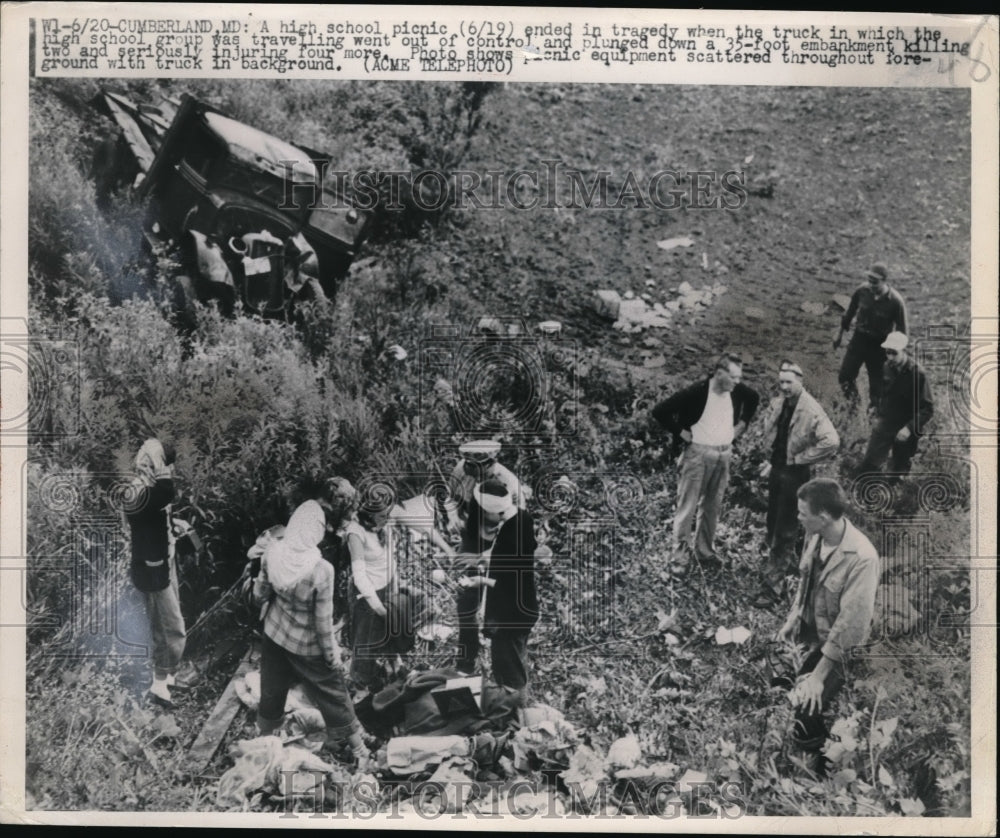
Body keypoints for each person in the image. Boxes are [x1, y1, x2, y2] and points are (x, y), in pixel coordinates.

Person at [253, 496, 368, 766]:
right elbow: (322, 623)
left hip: (274, 634)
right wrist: (333, 656)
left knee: (271, 688)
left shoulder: (273, 550)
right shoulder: (320, 570)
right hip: (307, 645)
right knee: (333, 691)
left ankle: (263, 740)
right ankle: (361, 750)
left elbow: (260, 594)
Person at [776, 478, 879, 776]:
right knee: (782, 682)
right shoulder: (816, 534)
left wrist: (818, 677)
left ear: (822, 517)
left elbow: (851, 628)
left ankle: (818, 768)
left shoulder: (862, 559)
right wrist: (794, 616)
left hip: (839, 648)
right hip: (813, 632)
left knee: (807, 706)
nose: (797, 517)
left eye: (802, 513)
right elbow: (806, 579)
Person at [651, 353, 760, 568]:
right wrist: (681, 432)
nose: (738, 383)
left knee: (713, 505)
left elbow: (754, 398)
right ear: (719, 374)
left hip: (724, 454)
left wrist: (743, 424)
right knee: (688, 506)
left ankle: (704, 551)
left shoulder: (736, 391)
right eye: (734, 377)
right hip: (698, 455)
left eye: (739, 378)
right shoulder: (697, 392)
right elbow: (660, 411)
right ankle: (679, 557)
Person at [753, 361, 840, 608]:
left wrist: (801, 458)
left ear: (800, 381)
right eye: (781, 382)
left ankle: (774, 588)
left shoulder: (810, 409)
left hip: (795, 476)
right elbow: (777, 437)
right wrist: (773, 461)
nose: (784, 387)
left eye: (789, 382)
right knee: (772, 520)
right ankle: (782, 564)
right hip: (778, 470)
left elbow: (831, 441)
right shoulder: (781, 403)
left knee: (785, 526)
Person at [455, 480, 538, 700]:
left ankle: (517, 713)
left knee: (509, 669)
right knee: (515, 660)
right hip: (524, 606)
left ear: (495, 512)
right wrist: (486, 558)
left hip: (510, 615)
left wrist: (479, 581)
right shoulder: (521, 518)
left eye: (485, 513)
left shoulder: (511, 535)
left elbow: (505, 584)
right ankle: (514, 704)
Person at [124, 437, 187, 707]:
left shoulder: (147, 487)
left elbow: (156, 514)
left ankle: (166, 677)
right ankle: (159, 684)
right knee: (171, 627)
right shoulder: (138, 491)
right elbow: (163, 495)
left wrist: (173, 525)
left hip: (162, 561)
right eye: (163, 462)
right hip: (152, 568)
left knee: (166, 624)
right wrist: (161, 469)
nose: (168, 470)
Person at [857, 331, 934, 477]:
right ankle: (866, 494)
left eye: (894, 353)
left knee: (899, 470)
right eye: (887, 353)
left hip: (907, 425)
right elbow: (882, 392)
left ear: (903, 351)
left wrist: (909, 428)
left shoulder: (918, 374)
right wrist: (875, 409)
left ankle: (895, 494)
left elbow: (927, 409)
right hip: (887, 421)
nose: (890, 357)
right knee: (869, 464)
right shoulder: (887, 367)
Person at [835, 263, 908, 408]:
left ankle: (871, 419)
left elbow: (902, 331)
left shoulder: (896, 302)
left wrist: (897, 354)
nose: (871, 285)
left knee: (877, 389)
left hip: (879, 346)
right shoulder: (862, 291)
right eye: (869, 280)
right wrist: (839, 334)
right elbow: (849, 313)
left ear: (885, 281)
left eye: (875, 282)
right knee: (845, 377)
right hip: (859, 340)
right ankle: (854, 406)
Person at [448, 440, 530, 527]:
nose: (470, 469)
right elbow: (450, 495)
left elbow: (518, 516)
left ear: (490, 464)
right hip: (464, 519)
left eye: (476, 466)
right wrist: (454, 517)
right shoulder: (461, 468)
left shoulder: (508, 481)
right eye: (469, 465)